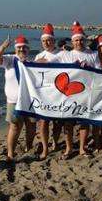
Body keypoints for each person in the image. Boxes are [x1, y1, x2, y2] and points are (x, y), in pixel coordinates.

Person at [57, 21, 100, 158]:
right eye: (76, 40)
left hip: (87, 93)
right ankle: (69, 148)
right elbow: (49, 64)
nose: (79, 42)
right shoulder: (66, 55)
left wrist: (89, 68)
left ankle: (82, 148)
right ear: (72, 41)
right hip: (69, 94)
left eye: (81, 39)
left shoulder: (93, 54)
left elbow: (100, 72)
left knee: (84, 122)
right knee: (68, 123)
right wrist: (29, 64)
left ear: (85, 40)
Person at [0, 34, 37, 162]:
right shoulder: (9, 60)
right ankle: (10, 153)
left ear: (28, 49)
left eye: (24, 48)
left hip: (30, 101)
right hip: (13, 101)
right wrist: (4, 46)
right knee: (15, 127)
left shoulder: (32, 63)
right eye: (19, 48)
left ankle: (29, 147)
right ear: (15, 49)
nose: (21, 50)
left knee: (31, 126)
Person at [34, 23, 62, 153]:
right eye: (44, 41)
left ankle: (55, 143)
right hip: (43, 94)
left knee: (57, 122)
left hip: (58, 92)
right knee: (43, 122)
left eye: (48, 40)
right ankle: (45, 148)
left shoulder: (61, 54)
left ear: (53, 41)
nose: (46, 43)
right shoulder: (38, 56)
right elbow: (32, 74)